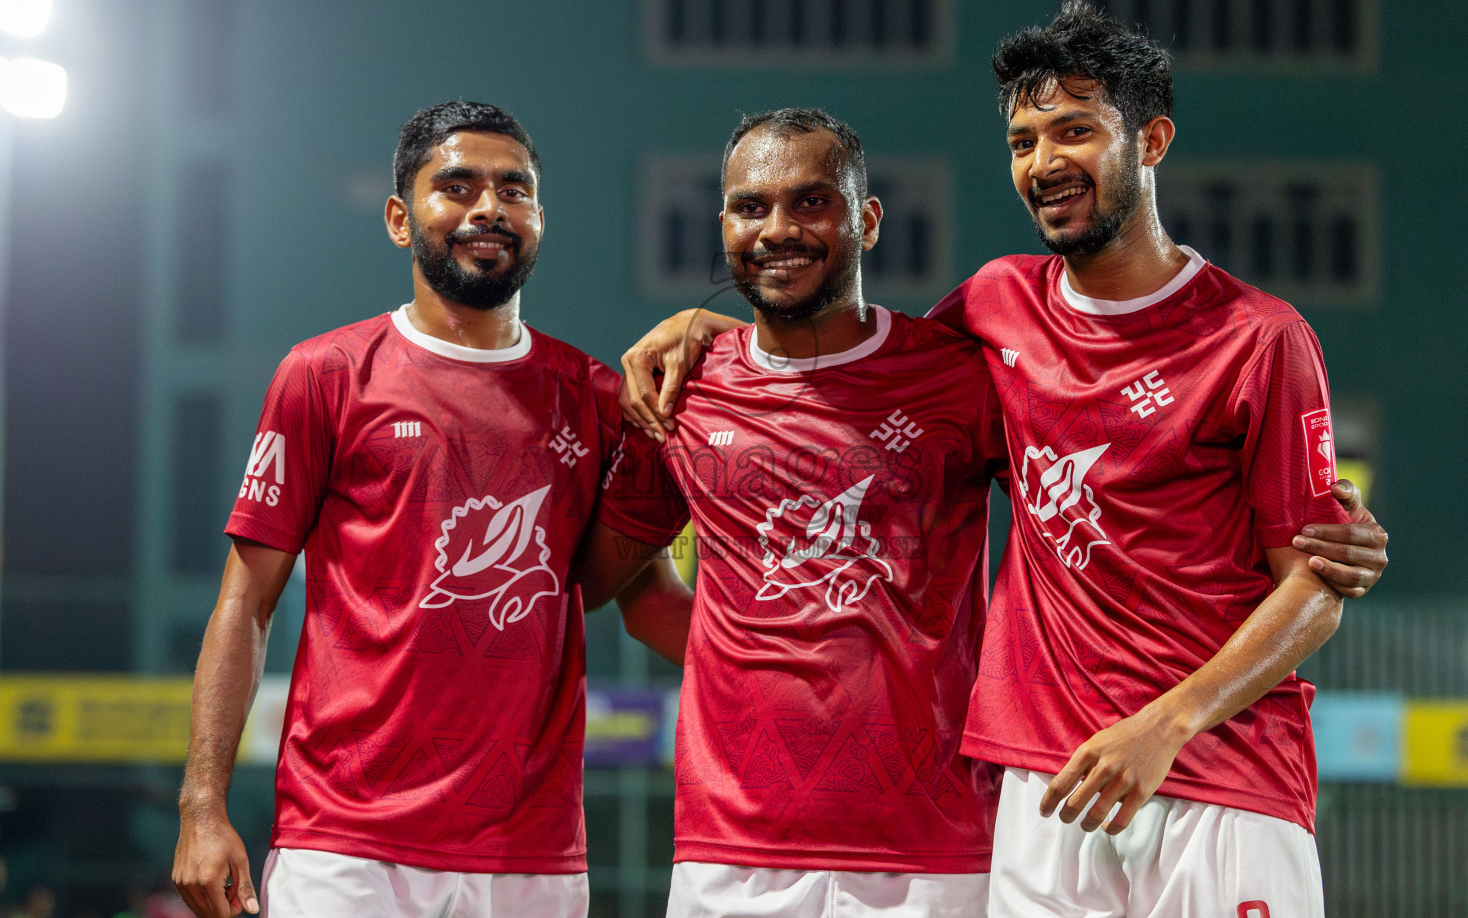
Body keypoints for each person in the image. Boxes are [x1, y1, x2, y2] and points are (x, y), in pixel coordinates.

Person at [576, 108, 1386, 918]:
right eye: (751, 208)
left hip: (943, 847)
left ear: (867, 218)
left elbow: (1116, 465)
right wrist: (751, 661)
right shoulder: (676, 392)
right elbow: (615, 583)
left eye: (812, 202)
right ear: (723, 223)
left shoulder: (958, 372)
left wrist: (1323, 524)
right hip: (730, 847)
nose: (779, 228)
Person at [171, 101, 671, 918]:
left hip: (532, 855)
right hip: (345, 846)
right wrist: (202, 807)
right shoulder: (324, 374)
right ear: (402, 219)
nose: (489, 207)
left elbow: (635, 589)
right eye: (458, 186)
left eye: (515, 190)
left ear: (539, 218)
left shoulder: (598, 399)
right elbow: (245, 602)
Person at [924, 0, 1362, 917]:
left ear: (1152, 140)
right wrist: (709, 332)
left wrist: (1166, 725)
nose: (1043, 164)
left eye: (1075, 131)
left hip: (1223, 775)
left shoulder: (1261, 338)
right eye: (1022, 141)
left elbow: (1314, 588)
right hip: (1050, 781)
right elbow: (861, 380)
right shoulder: (994, 303)